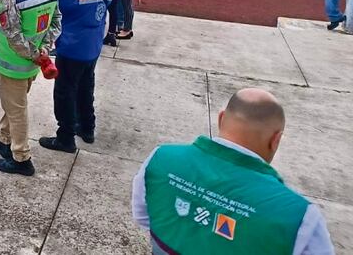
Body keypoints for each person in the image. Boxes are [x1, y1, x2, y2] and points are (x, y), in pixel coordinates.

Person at [131, 88, 333, 254]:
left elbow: (142, 216)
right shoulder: (300, 218)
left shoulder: (160, 158)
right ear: (276, 140)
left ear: (221, 119)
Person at [0, 0, 61, 176]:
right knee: (14, 103)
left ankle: (21, 157)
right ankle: (4, 138)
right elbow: (56, 23)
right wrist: (43, 51)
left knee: (17, 108)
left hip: (14, 63)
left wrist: (34, 53)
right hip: (32, 64)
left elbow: (12, 33)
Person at [39, 0, 112, 154]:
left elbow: (56, 0)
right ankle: (87, 127)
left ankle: (65, 137)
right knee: (86, 87)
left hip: (72, 49)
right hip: (93, 47)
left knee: (65, 92)